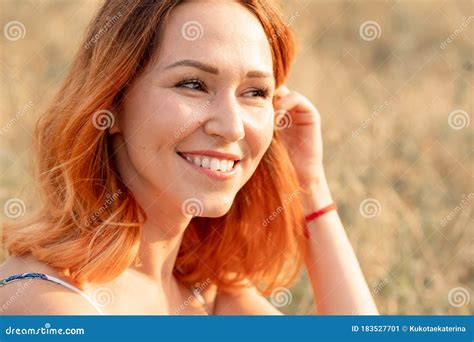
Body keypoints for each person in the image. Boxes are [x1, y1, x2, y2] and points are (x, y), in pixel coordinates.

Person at [0, 0, 378, 315]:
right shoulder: (48, 304)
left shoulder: (206, 294)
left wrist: (309, 186)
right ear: (111, 101)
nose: (232, 127)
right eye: (193, 84)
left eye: (255, 92)